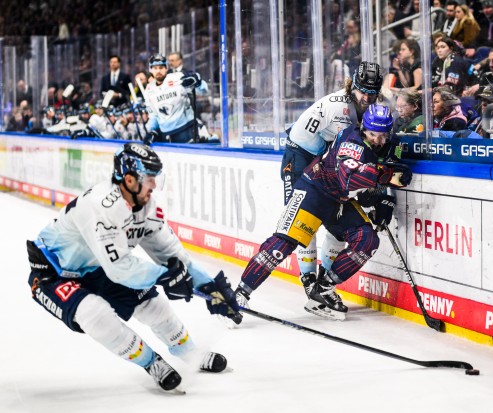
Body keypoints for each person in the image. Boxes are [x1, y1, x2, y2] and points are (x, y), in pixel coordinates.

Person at [27, 143, 240, 392]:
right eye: (150, 179)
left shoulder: (148, 208)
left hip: (98, 267)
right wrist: (165, 277)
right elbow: (119, 268)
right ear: (129, 179)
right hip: (54, 272)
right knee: (96, 314)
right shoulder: (101, 206)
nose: (155, 186)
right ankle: (151, 363)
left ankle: (190, 353)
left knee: (154, 306)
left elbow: (172, 255)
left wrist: (210, 286)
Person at [234, 105, 412, 321]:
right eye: (373, 134)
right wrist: (386, 176)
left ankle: (323, 289)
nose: (378, 140)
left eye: (383, 135)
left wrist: (383, 199)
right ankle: (238, 296)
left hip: (339, 200)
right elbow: (351, 178)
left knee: (367, 240)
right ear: (364, 128)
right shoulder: (352, 142)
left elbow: (389, 171)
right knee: (283, 245)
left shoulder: (390, 145)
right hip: (314, 191)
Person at [276, 61, 384, 318]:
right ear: (353, 87)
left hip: (319, 159)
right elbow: (346, 150)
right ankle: (309, 283)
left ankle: (322, 282)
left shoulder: (361, 105)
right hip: (299, 159)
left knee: (336, 221)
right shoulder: (341, 108)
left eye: (372, 92)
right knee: (303, 222)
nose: (367, 98)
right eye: (363, 91)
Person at [142, 54, 210, 144]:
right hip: (165, 134)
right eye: (155, 68)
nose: (158, 71)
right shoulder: (149, 90)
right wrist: (152, 131)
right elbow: (154, 116)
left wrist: (198, 82)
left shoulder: (178, 77)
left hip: (186, 130)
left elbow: (203, 91)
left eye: (161, 67)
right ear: (151, 70)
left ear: (166, 68)